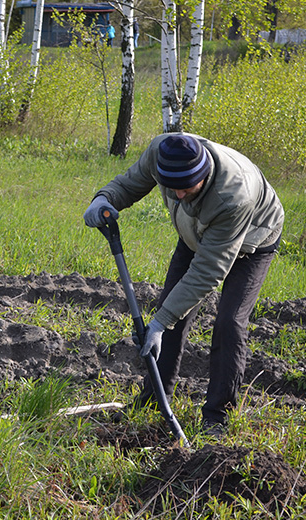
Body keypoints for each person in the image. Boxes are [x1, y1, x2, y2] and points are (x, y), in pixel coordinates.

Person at [83, 133, 284, 437]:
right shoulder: (162, 152)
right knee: (171, 309)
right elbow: (130, 183)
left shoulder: (233, 196)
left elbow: (208, 270)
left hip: (253, 241)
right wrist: (104, 198)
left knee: (230, 322)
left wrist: (161, 322)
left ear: (203, 176)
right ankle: (154, 398)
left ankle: (218, 417)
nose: (177, 196)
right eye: (171, 188)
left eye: (186, 189)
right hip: (197, 232)